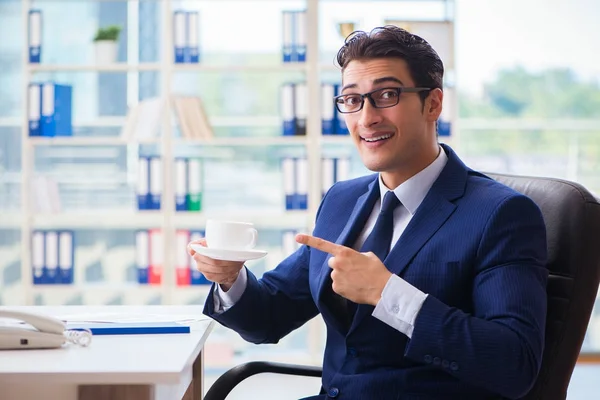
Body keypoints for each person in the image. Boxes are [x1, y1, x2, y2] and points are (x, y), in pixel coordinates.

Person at [188, 26, 548, 400]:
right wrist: (231, 279)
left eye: (386, 95)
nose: (366, 118)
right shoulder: (342, 200)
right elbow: (268, 318)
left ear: (433, 104)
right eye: (352, 100)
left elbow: (514, 364)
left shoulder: (501, 214)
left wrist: (388, 293)